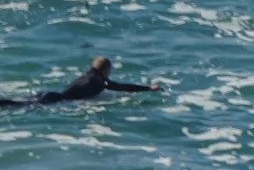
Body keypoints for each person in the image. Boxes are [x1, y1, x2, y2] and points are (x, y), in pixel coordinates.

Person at [0, 56, 163, 107]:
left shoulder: (88, 75)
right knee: (14, 105)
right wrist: (148, 88)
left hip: (51, 94)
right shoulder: (100, 81)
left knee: (16, 102)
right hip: (55, 99)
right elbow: (122, 87)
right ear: (105, 70)